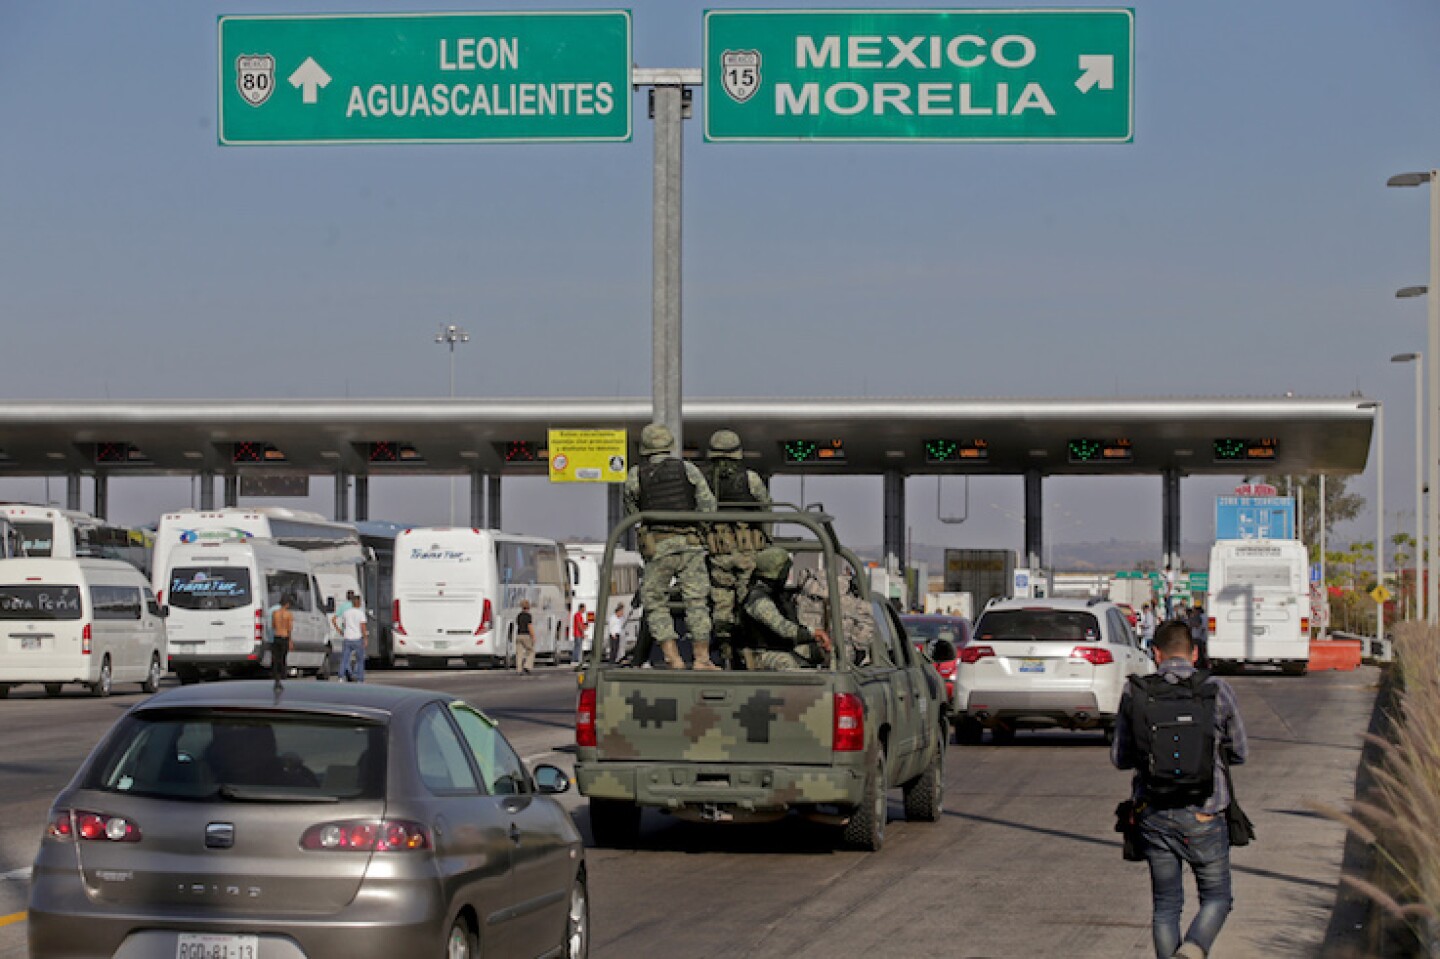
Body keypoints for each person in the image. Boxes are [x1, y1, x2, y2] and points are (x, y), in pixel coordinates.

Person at [1112, 620, 1248, 959]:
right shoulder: (1216, 688)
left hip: (1154, 812)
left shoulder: (1135, 691)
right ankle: (1193, 948)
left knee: (1166, 904)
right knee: (1217, 897)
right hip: (1205, 811)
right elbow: (1240, 750)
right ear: (1195, 653)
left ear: (1155, 653)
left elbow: (1121, 757)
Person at [624, 422, 718, 670]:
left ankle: (672, 657)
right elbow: (708, 507)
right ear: (669, 445)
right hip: (690, 546)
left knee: (654, 601)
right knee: (696, 601)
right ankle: (701, 658)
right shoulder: (688, 469)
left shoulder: (636, 475)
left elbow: (632, 511)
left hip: (658, 547)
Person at [698, 428, 772, 667]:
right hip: (748, 553)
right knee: (749, 602)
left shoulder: (701, 479)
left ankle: (725, 650)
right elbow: (766, 508)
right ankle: (749, 653)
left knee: (721, 605)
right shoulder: (750, 478)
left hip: (717, 553)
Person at [742, 547, 832, 670]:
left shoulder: (776, 594)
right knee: (787, 662)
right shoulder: (758, 599)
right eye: (785, 571)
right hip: (758, 655)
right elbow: (784, 628)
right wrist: (814, 633)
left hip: (777, 648)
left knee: (816, 652)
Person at [339, 596, 368, 683]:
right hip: (357, 638)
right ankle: (359, 678)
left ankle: (341, 676)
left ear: (352, 603)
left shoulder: (346, 613)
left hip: (347, 638)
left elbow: (344, 625)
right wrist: (365, 638)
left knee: (345, 658)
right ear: (358, 603)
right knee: (360, 660)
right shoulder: (360, 613)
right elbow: (363, 627)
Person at [270, 593, 295, 692]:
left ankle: (276, 677)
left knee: (276, 658)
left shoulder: (275, 613)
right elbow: (289, 629)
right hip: (284, 637)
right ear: (287, 604)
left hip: (276, 636)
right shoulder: (288, 614)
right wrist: (290, 641)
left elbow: (273, 626)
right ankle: (283, 677)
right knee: (283, 659)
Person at [515, 599, 536, 675]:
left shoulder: (519, 615)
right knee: (531, 651)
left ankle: (519, 669)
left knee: (519, 653)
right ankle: (527, 666)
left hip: (518, 635)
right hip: (526, 635)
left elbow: (518, 624)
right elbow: (529, 626)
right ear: (528, 607)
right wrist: (533, 636)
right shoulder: (528, 616)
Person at [1188, 604, 1209, 668]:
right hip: (1202, 638)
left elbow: (1198, 626)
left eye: (1194, 610)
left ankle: (1200, 664)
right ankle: (1204, 664)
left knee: (1199, 653)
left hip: (1198, 638)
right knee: (1203, 652)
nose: (1193, 611)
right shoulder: (1205, 616)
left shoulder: (1200, 617)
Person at [571, 603, 588, 670]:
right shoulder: (577, 615)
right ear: (581, 608)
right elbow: (579, 625)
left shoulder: (579, 615)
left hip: (579, 634)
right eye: (584, 608)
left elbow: (581, 625)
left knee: (578, 647)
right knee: (578, 647)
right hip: (578, 634)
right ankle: (576, 660)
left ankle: (577, 660)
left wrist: (585, 628)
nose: (585, 609)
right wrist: (583, 633)